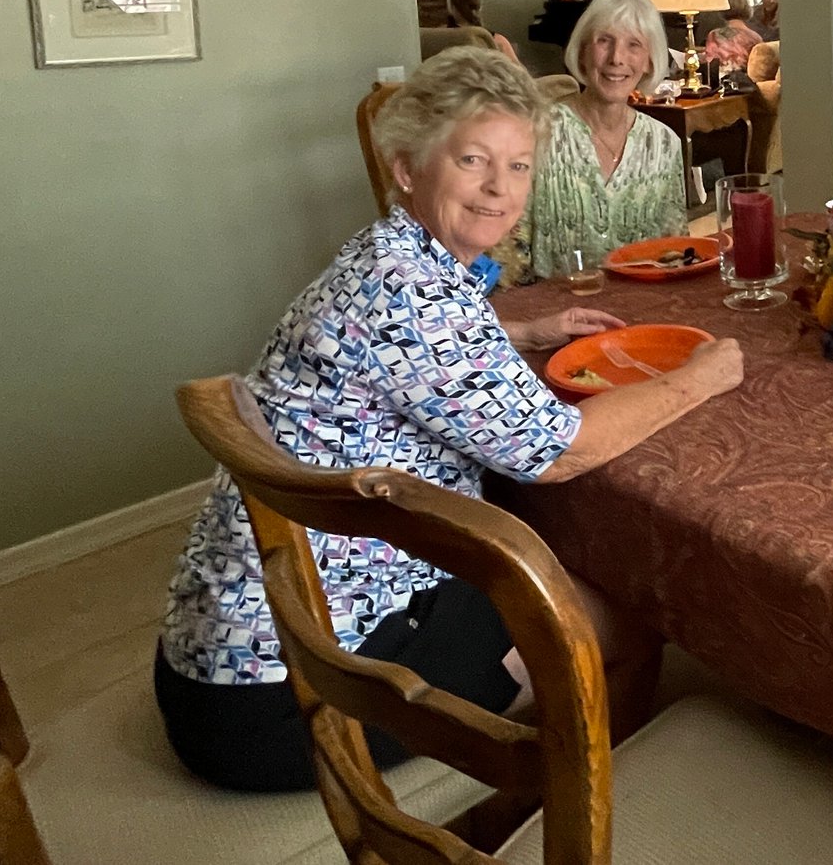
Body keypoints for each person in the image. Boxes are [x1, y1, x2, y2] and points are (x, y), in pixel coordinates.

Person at [156, 47, 744, 791]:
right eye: (473, 160)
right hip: (280, 699)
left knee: (563, 557)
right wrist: (702, 377)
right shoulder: (413, 297)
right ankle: (555, 816)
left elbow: (410, 353)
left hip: (225, 648)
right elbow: (563, 452)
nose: (501, 189)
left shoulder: (390, 258)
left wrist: (519, 333)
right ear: (407, 166)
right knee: (626, 618)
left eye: (520, 166)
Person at [531, 0, 686, 277]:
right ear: (583, 51)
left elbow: (674, 251)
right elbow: (509, 255)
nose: (617, 58)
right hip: (554, 314)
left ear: (649, 60)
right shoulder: (538, 132)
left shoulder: (664, 144)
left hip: (640, 310)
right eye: (605, 41)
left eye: (634, 45)